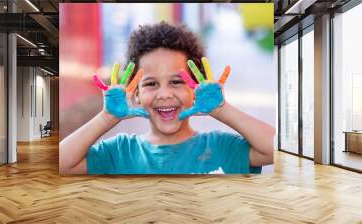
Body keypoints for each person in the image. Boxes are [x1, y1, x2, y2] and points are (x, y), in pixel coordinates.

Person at [59, 21, 275, 174]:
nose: (164, 94)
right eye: (151, 84)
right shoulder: (119, 151)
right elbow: (61, 163)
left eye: (176, 81)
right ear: (136, 93)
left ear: (195, 89)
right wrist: (106, 117)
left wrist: (222, 109)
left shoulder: (221, 147)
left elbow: (276, 149)